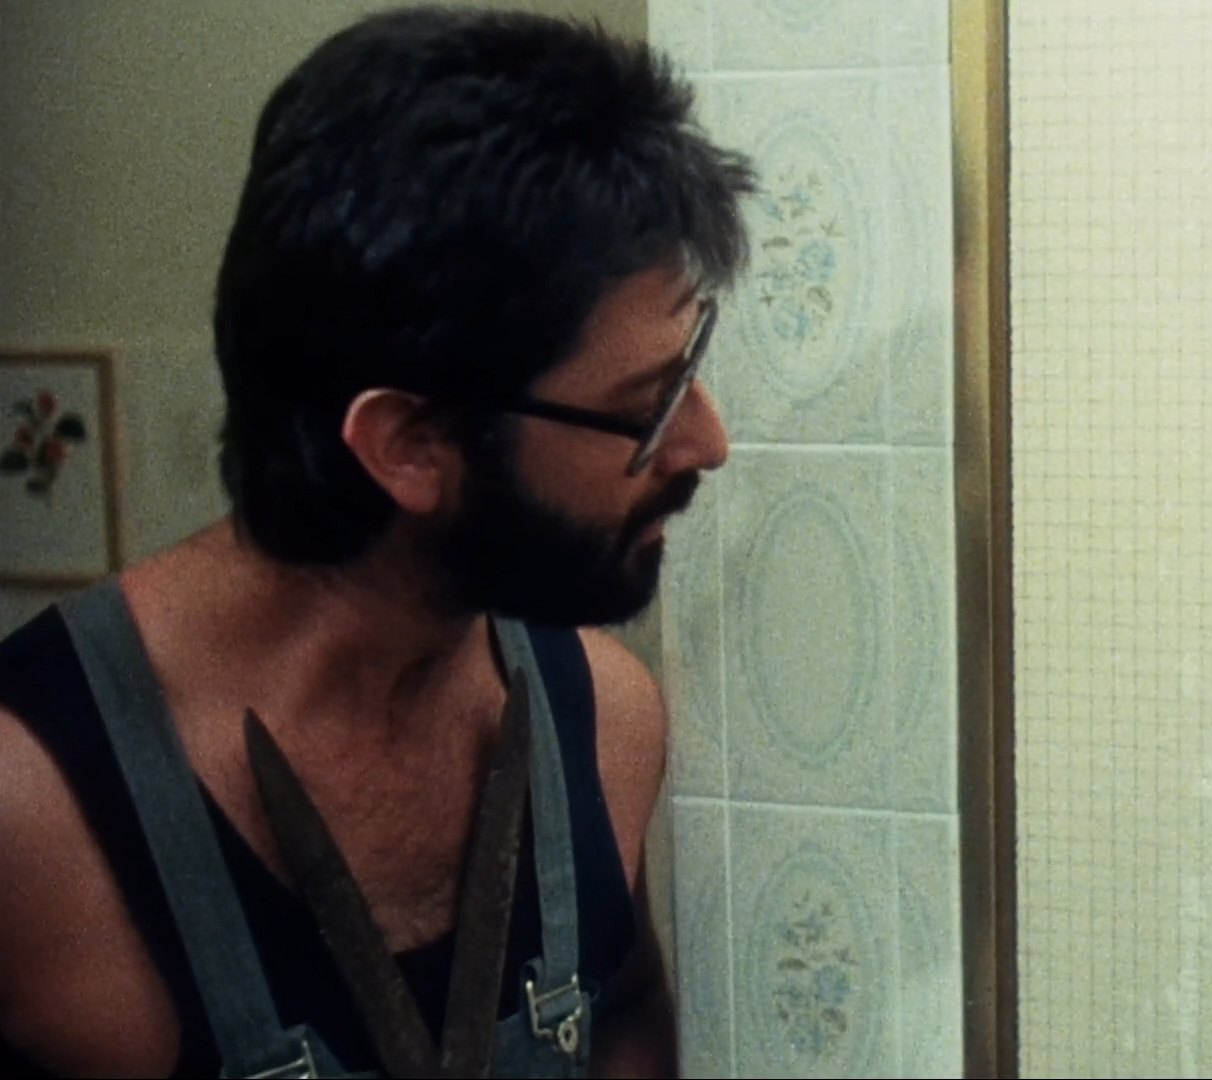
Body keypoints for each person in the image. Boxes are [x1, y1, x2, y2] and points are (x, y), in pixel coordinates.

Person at [0, 6, 754, 1077]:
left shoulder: (604, 721)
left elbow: (624, 1022)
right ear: (406, 445)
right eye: (648, 405)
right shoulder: (30, 809)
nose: (707, 442)